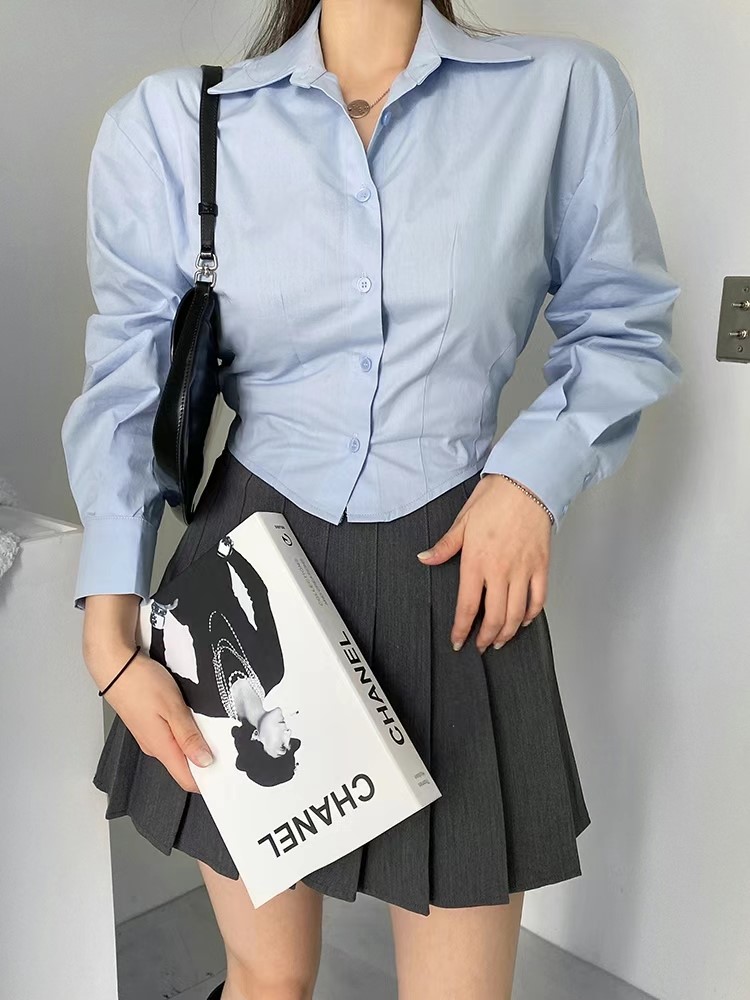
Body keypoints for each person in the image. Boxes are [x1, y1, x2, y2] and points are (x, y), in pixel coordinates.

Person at [60, 1, 682, 997]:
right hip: (245, 579)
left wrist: (530, 479)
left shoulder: (562, 92)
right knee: (267, 979)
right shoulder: (178, 121)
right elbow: (127, 382)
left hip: (459, 576)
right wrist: (108, 633)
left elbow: (621, 324)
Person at [148, 534, 302, 785]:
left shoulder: (208, 704)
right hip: (213, 561)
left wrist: (158, 621)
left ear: (256, 741)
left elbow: (160, 673)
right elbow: (259, 597)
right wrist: (230, 555)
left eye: (282, 746)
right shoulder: (274, 670)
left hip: (175, 592)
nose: (289, 733)